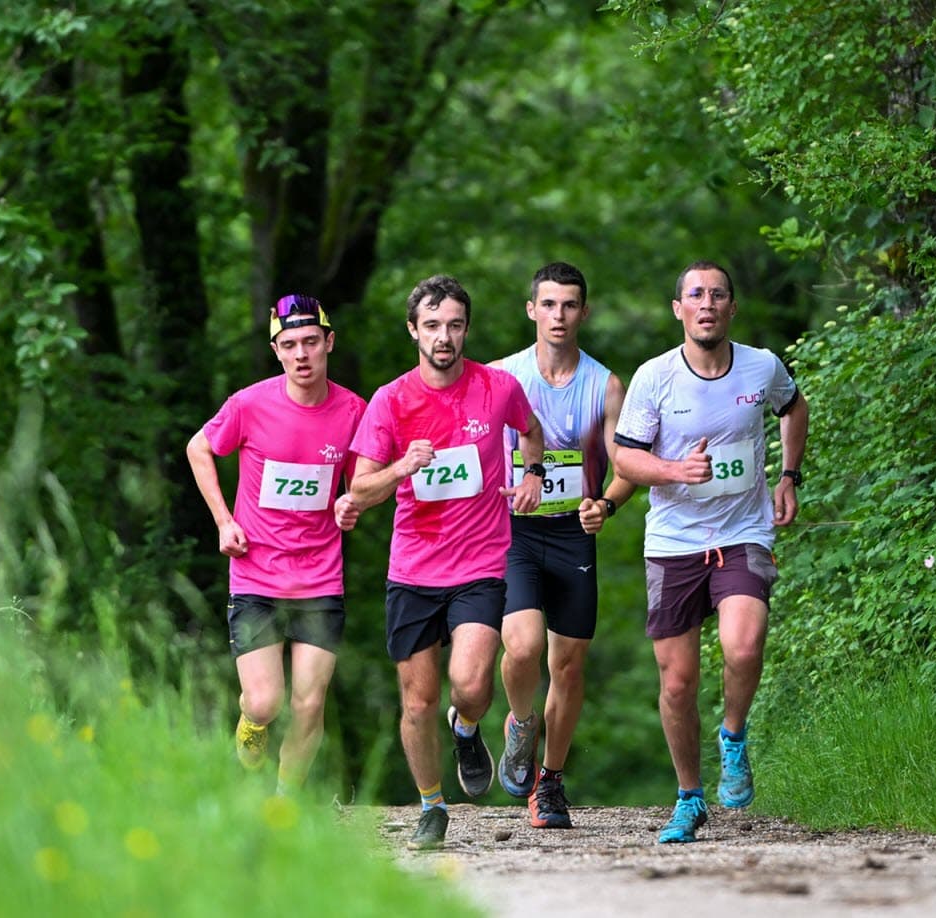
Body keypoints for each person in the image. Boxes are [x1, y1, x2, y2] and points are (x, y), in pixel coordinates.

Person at [345, 274, 546, 850]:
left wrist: (531, 474)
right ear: (414, 330)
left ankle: (467, 728)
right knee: (416, 700)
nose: (444, 337)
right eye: (432, 326)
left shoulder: (497, 387)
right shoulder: (391, 401)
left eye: (454, 325)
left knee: (472, 682)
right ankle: (432, 807)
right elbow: (360, 492)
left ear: (466, 330)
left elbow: (530, 432)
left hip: (481, 562)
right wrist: (401, 468)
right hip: (412, 570)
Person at [611, 261, 808, 844]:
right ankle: (689, 798)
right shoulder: (654, 378)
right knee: (678, 683)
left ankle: (734, 736)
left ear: (731, 308)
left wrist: (789, 476)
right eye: (695, 295)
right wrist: (675, 469)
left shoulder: (762, 366)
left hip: (743, 530)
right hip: (673, 542)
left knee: (743, 646)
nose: (706, 303)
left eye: (717, 294)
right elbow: (625, 458)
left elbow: (793, 408)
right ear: (678, 309)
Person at [186, 294, 367, 795]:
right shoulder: (249, 404)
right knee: (265, 703)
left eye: (311, 341)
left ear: (328, 342)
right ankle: (249, 727)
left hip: (319, 577)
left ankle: (284, 804)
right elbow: (198, 447)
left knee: (310, 703)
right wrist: (224, 521)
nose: (301, 354)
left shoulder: (354, 411)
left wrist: (352, 502)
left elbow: (364, 481)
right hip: (256, 573)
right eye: (289, 345)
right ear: (277, 351)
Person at [490, 262, 636, 829]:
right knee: (523, 647)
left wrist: (607, 504)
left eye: (569, 305)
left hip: (573, 530)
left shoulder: (605, 384)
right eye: (548, 305)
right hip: (514, 530)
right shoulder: (503, 376)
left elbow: (624, 466)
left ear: (584, 312)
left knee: (569, 666)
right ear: (531, 310)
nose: (558, 315)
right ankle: (521, 722)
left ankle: (549, 783)